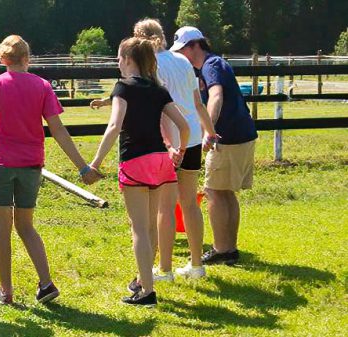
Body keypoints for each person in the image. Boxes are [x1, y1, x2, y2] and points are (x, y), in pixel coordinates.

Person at [0, 35, 100, 305]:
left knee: (1, 229)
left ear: (2, 59)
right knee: (26, 226)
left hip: (1, 164)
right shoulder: (42, 86)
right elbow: (58, 130)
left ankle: (5, 291)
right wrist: (82, 167)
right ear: (27, 58)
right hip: (31, 165)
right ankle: (46, 283)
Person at [92, 19, 218, 280]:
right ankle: (197, 265)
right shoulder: (182, 61)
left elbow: (146, 102)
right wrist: (209, 130)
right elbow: (196, 102)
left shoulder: (150, 64)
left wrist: (170, 145)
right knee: (190, 204)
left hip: (165, 144)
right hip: (191, 138)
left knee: (164, 208)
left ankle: (164, 269)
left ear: (138, 39)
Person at [87, 37, 190, 307]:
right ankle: (142, 279)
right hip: (161, 161)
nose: (118, 64)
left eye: (119, 58)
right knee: (151, 226)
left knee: (139, 229)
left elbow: (114, 126)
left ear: (128, 59)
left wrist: (95, 163)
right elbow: (183, 125)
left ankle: (147, 292)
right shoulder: (158, 89)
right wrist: (179, 150)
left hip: (135, 160)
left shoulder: (123, 87)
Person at [170, 26, 258, 266]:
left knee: (213, 192)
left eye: (182, 50)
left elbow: (216, 95)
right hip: (241, 134)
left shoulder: (211, 65)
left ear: (195, 46)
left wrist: (208, 131)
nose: (181, 56)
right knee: (225, 192)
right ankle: (229, 248)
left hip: (226, 138)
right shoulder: (213, 65)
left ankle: (221, 249)